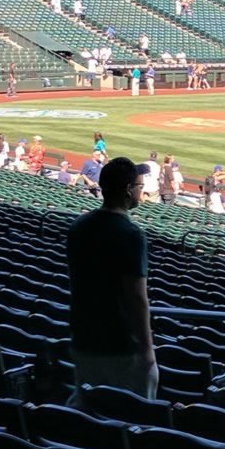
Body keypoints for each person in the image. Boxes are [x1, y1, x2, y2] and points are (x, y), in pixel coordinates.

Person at [65, 156, 156, 399]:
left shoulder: (79, 225)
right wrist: (147, 350)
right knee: (126, 415)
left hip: (83, 337)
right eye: (139, 187)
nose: (141, 191)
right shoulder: (131, 234)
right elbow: (136, 298)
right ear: (128, 190)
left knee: (88, 413)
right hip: (119, 345)